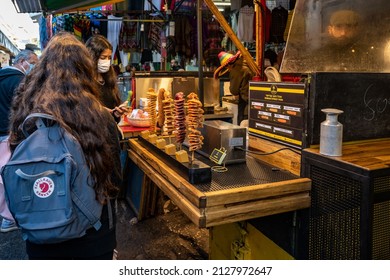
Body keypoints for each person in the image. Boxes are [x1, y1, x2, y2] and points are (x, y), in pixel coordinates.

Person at [7, 32, 122, 260]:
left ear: (42, 70)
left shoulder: (26, 116)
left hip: (40, 238)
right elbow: (115, 183)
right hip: (94, 238)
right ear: (85, 70)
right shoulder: (100, 117)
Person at [0, 49, 38, 233]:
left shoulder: (2, 75)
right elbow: (24, 110)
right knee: (12, 175)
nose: (34, 67)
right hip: (9, 134)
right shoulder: (18, 80)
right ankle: (9, 219)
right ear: (22, 61)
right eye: (33, 62)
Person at [310, 9, 382, 71]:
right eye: (338, 27)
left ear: (356, 29)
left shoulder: (368, 55)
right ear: (330, 29)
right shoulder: (318, 56)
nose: (343, 33)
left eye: (349, 27)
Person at [85, 34, 129, 122]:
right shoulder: (83, 81)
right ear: (92, 57)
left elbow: (114, 117)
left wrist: (116, 114)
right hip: (92, 133)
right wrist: (100, 111)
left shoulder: (109, 80)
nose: (107, 61)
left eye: (109, 58)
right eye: (103, 57)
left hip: (110, 132)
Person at [214, 51, 254, 125]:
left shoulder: (236, 70)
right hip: (256, 98)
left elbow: (234, 90)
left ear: (228, 65)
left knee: (243, 125)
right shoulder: (245, 63)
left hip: (247, 101)